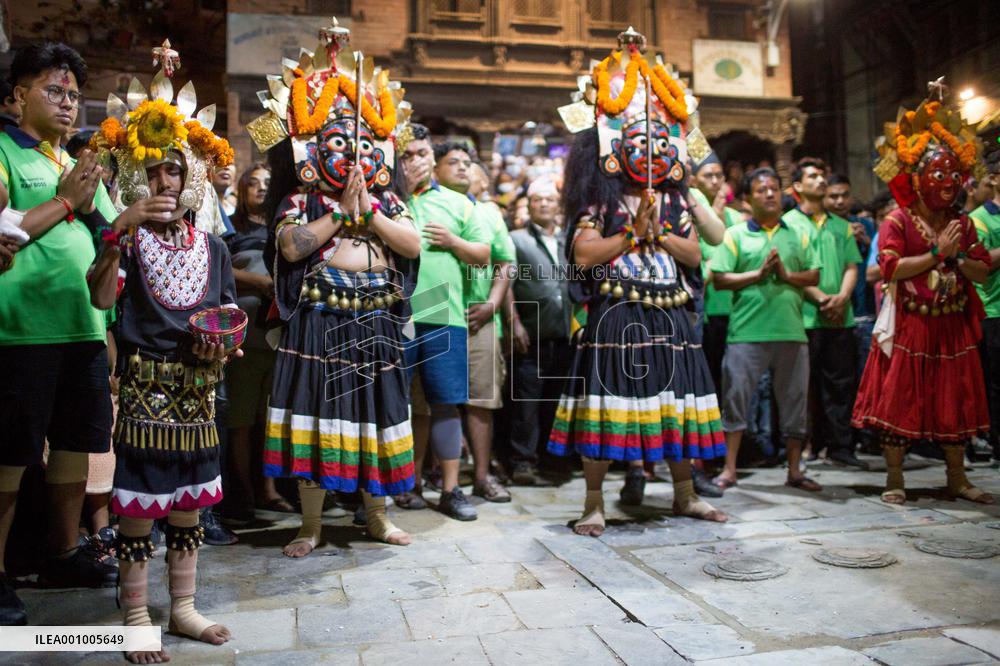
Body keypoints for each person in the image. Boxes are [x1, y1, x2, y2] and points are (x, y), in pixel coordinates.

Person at [86, 45, 239, 662]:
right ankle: (133, 616)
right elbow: (101, 299)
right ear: (133, 178)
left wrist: (224, 342)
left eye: (174, 171)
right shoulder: (124, 239)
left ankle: (182, 609)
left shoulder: (214, 247)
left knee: (191, 502)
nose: (164, 183)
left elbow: (230, 316)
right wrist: (116, 233)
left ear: (189, 178)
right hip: (147, 388)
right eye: (152, 173)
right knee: (139, 506)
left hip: (197, 390)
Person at [251, 24, 422, 556]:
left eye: (368, 146)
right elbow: (293, 249)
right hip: (319, 322)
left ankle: (377, 516)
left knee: (376, 412)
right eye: (341, 144)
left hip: (374, 319)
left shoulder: (388, 203)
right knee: (316, 416)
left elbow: (412, 247)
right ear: (310, 150)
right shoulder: (302, 202)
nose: (355, 155)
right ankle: (310, 524)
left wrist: (368, 211)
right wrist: (340, 216)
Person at [549, 29, 727, 537]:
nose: (649, 149)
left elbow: (696, 251)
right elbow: (583, 255)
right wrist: (630, 234)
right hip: (617, 316)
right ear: (613, 150)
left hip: (670, 313)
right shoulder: (600, 202)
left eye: (657, 140)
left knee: (678, 410)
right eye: (637, 140)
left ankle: (686, 496)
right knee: (606, 414)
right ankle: (593, 503)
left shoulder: (674, 202)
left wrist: (662, 236)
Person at [0, 42, 120, 626]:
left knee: (76, 447)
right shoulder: (3, 150)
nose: (69, 103)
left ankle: (64, 553)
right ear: (18, 95)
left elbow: (103, 239)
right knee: (11, 455)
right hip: (21, 330)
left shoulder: (73, 162)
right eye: (55, 90)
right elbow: (10, 228)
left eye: (74, 95)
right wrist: (66, 201)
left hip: (84, 328)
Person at [853, 87, 993, 505]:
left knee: (956, 399)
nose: (948, 184)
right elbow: (891, 268)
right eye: (938, 174)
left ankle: (957, 478)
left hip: (951, 322)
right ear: (915, 176)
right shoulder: (898, 219)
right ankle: (895, 479)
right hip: (910, 324)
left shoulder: (964, 223)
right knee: (901, 400)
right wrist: (938, 254)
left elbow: (983, 270)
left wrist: (958, 256)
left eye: (955, 175)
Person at [394, 125, 490, 521]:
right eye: (406, 155)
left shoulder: (458, 203)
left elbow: (483, 254)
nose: (414, 161)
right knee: (395, 404)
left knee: (446, 404)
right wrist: (398, 191)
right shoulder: (388, 201)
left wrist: (453, 242)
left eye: (420, 153)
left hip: (443, 314)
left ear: (432, 157)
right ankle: (400, 485)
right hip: (394, 314)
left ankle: (451, 489)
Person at [711, 167, 822, 491]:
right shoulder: (735, 235)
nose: (770, 194)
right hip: (746, 332)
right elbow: (720, 277)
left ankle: (794, 470)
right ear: (748, 199)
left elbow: (813, 275)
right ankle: (729, 469)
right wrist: (757, 275)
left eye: (774, 188)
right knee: (735, 400)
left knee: (795, 402)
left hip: (791, 330)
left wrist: (786, 275)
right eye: (761, 190)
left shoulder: (798, 233)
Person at [222, 162, 292, 524]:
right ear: (242, 187)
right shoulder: (230, 227)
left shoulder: (285, 225)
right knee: (241, 416)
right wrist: (257, 282)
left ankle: (269, 489)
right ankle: (243, 491)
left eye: (269, 182)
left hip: (279, 332)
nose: (262, 188)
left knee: (271, 417)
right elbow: (217, 266)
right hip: (246, 334)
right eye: (254, 182)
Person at [784, 159, 865, 469]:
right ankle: (804, 446)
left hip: (839, 316)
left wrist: (841, 297)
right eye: (813, 177)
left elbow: (850, 266)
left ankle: (840, 447)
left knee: (841, 384)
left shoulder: (842, 226)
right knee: (804, 386)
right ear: (798, 187)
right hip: (804, 316)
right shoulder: (787, 223)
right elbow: (790, 270)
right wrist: (820, 299)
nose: (820, 181)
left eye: (822, 175)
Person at [448, 155, 515, 503]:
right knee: (436, 400)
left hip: (479, 315)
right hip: (439, 310)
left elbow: (505, 262)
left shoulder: (489, 213)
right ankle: (438, 475)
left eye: (469, 166)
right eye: (455, 164)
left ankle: (481, 476)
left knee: (481, 400)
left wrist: (492, 303)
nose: (463, 170)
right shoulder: (435, 205)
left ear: (484, 181)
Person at [506, 177, 572, 485]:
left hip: (564, 335)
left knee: (556, 402)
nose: (543, 204)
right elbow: (504, 282)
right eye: (537, 200)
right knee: (525, 403)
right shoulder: (517, 239)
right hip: (530, 334)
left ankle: (553, 460)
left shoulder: (570, 240)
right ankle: (522, 461)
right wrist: (514, 321)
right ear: (529, 206)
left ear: (558, 204)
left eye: (549, 199)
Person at [825, 174, 878, 386]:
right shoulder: (824, 227)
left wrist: (865, 240)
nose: (840, 202)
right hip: (837, 313)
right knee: (841, 380)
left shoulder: (867, 224)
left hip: (866, 312)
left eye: (845, 195)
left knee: (868, 377)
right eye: (834, 196)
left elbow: (878, 257)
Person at [970, 152, 1000, 460]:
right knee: (996, 382)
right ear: (992, 178)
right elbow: (978, 263)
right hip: (992, 310)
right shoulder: (979, 218)